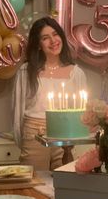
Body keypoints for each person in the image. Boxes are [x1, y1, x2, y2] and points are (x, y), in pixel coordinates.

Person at [12, 16, 87, 171]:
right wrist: (21, 139)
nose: (53, 41)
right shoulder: (26, 72)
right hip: (34, 133)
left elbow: (81, 112)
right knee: (35, 182)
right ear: (38, 45)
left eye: (55, 34)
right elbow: (17, 110)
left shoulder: (76, 73)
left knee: (64, 183)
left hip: (64, 134)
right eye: (45, 38)